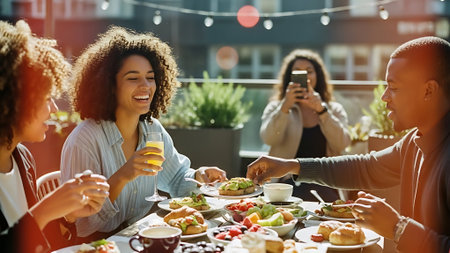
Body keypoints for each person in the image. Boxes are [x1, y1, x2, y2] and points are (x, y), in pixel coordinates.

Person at [247, 36, 450, 253]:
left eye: (393, 87)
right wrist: (292, 165)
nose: (384, 97)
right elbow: (364, 167)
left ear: (429, 90)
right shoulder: (413, 141)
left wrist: (397, 228)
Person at [60, 26, 227, 238]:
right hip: (97, 245)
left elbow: (175, 178)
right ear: (109, 85)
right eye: (133, 78)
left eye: (150, 77)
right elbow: (81, 220)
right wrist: (122, 176)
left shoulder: (152, 129)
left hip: (139, 237)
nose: (146, 86)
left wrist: (198, 176)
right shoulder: (85, 140)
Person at [0, 20, 110, 252]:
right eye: (44, 98)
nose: (51, 109)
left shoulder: (22, 157)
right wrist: (44, 211)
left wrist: (67, 216)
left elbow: (34, 242)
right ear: (11, 100)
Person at [260, 49, 351, 201]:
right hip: (287, 181)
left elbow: (342, 143)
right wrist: (285, 107)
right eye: (297, 72)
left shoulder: (333, 108)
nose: (305, 76)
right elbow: (269, 139)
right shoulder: (277, 107)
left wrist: (322, 111)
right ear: (289, 77)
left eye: (309, 71)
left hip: (325, 181)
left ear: (318, 76)